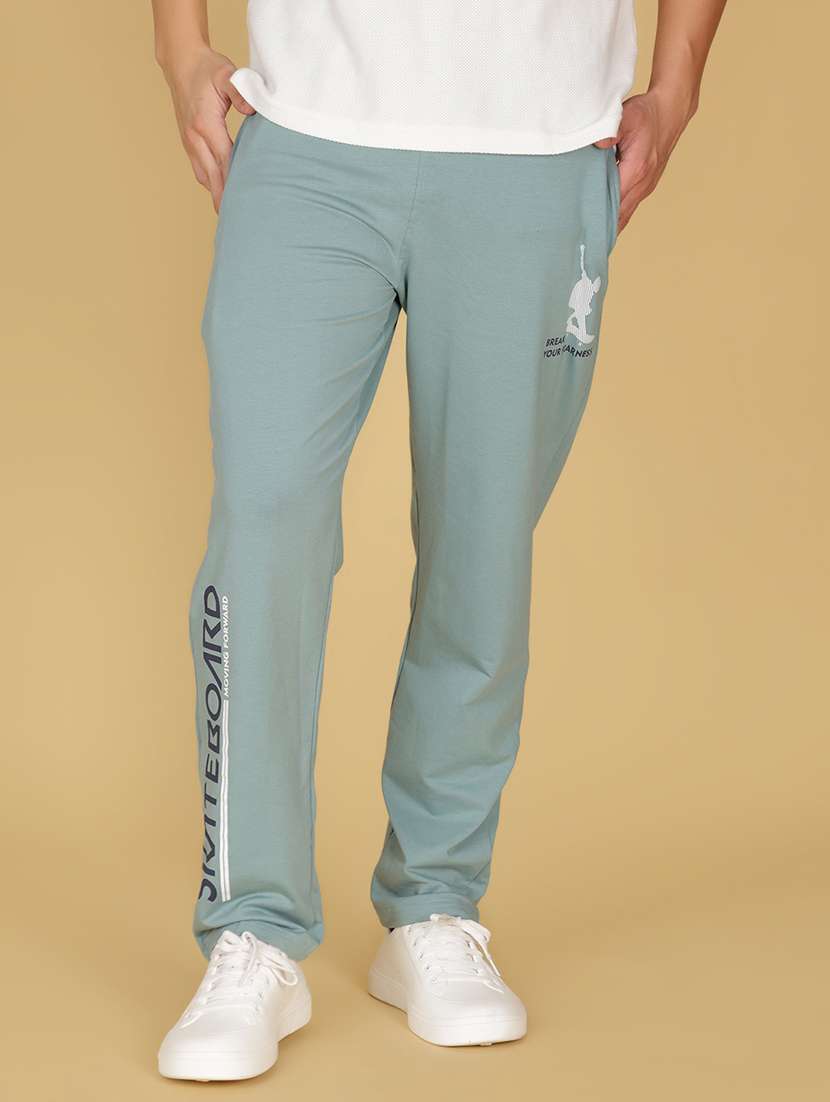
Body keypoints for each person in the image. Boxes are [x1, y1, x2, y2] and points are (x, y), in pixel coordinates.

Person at [151, 0, 727, 1081]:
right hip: (309, 138)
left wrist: (678, 82)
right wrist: (181, 52)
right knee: (263, 525)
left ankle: (434, 901)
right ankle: (253, 925)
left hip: (537, 148)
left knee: (482, 545)